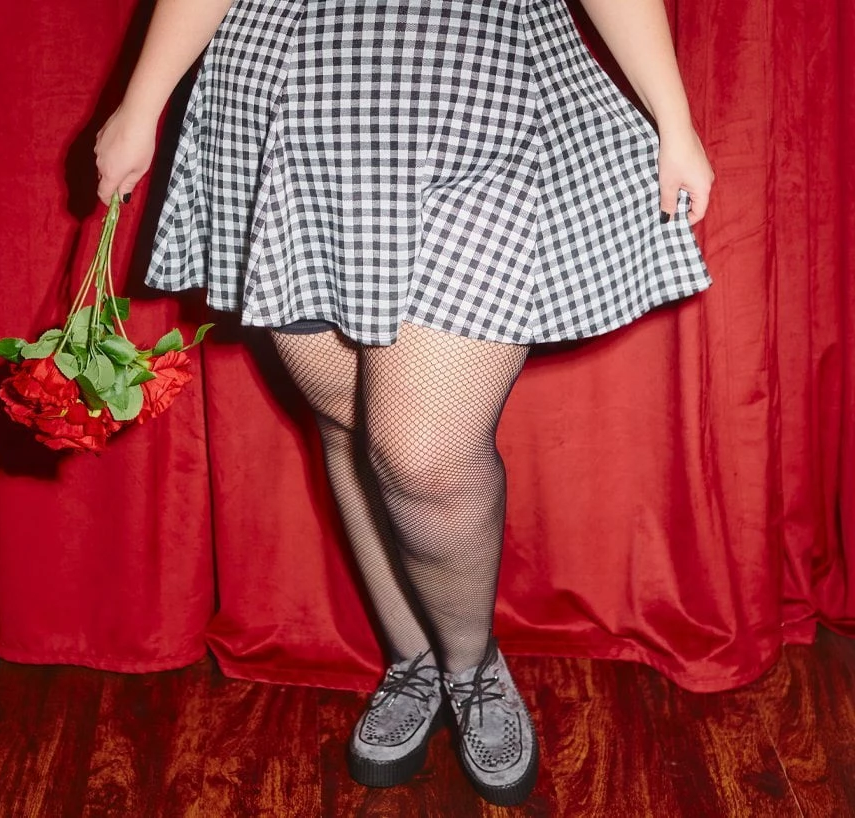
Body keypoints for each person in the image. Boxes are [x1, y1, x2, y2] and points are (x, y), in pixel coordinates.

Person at [95, 0, 714, 807]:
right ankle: (412, 657)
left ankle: (470, 666)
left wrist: (674, 116)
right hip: (289, 87)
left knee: (422, 455)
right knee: (349, 424)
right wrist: (141, 103)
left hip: (482, 84)